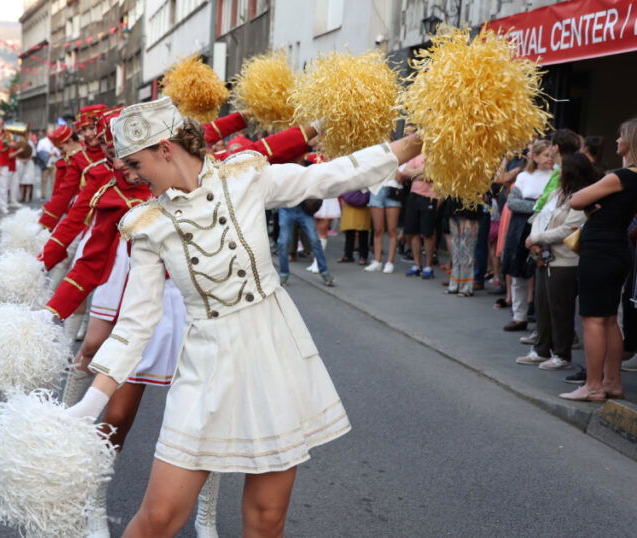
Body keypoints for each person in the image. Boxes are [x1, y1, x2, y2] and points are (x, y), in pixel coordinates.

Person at [65, 98, 423, 536]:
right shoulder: (148, 224)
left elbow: (332, 175)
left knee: (266, 518)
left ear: (165, 148)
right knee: (159, 517)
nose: (133, 177)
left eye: (136, 164)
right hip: (206, 363)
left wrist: (418, 141)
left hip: (272, 350)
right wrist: (91, 403)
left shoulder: (245, 176)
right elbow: (137, 322)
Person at [561, 118, 637, 401]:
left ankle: (592, 385)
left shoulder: (620, 176)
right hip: (618, 248)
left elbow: (575, 200)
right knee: (609, 320)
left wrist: (595, 207)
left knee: (593, 318)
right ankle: (612, 382)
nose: (616, 141)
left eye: (620, 136)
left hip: (599, 250)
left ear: (631, 141)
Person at [516, 153, 594, 369]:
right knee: (542, 306)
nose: (557, 171)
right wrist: (535, 241)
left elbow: (569, 228)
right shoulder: (557, 193)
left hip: (565, 262)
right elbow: (540, 216)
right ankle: (541, 350)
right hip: (544, 256)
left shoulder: (581, 196)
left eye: (562, 167)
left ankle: (562, 354)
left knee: (560, 309)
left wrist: (537, 238)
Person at [502, 140, 554, 332]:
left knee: (540, 272)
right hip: (520, 227)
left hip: (543, 227)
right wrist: (537, 206)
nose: (550, 158)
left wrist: (538, 207)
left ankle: (541, 320)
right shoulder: (524, 176)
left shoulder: (555, 177)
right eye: (546, 155)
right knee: (518, 271)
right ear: (536, 157)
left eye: (551, 155)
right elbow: (512, 202)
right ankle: (519, 315)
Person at [400, 153, 441, 279]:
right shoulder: (417, 154)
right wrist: (422, 172)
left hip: (430, 197)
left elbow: (435, 176)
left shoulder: (438, 155)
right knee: (413, 232)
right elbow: (405, 172)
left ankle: (428, 266)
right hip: (414, 196)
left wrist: (415, 174)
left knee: (427, 234)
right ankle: (417, 265)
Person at [443, 197, 484, 296]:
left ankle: (466, 287)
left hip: (470, 210)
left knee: (466, 250)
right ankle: (455, 284)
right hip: (453, 208)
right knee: (455, 250)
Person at [338, 189, 371, 265]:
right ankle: (349, 255)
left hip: (355, 197)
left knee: (362, 231)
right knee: (350, 231)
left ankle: (362, 256)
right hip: (356, 198)